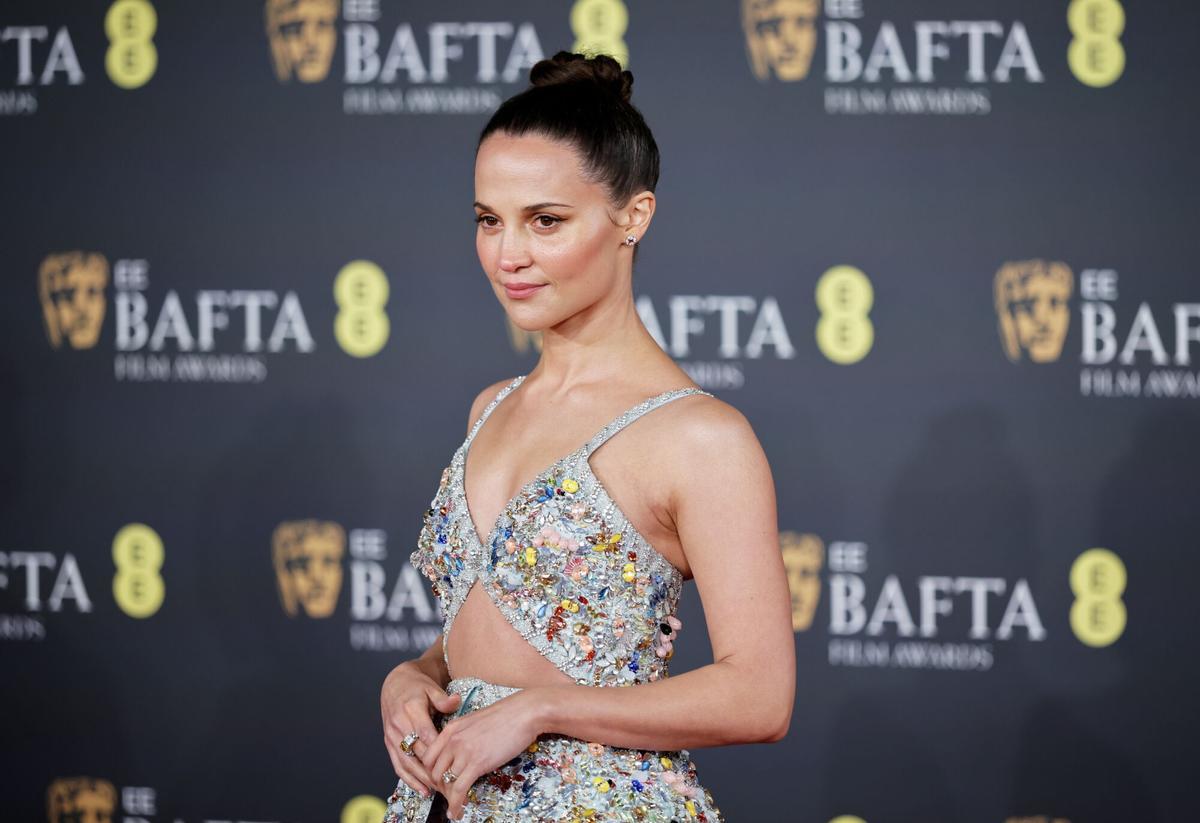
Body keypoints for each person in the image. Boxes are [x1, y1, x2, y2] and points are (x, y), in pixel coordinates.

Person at [380, 50, 795, 822]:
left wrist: (541, 710)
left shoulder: (699, 436)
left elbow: (760, 694)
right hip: (447, 800)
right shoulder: (490, 407)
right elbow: (491, 632)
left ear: (632, 217)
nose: (509, 255)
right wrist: (412, 673)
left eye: (546, 221)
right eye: (488, 221)